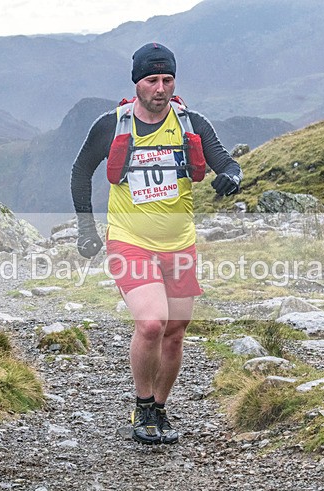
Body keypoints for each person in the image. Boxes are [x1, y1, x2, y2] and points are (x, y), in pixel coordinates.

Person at [70, 42, 242, 445]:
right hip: (130, 241)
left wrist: (232, 178)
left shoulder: (190, 123)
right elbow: (81, 172)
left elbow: (226, 162)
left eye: (167, 79)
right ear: (137, 83)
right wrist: (86, 228)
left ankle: (161, 408)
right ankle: (143, 405)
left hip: (179, 244)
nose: (160, 88)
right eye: (152, 80)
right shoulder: (112, 124)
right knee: (151, 324)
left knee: (176, 330)